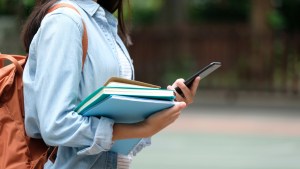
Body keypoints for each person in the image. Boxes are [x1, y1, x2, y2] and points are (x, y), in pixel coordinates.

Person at [21, 0, 201, 169]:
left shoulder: (102, 22)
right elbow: (56, 125)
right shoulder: (65, 21)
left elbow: (114, 121)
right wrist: (140, 128)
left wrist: (166, 104)